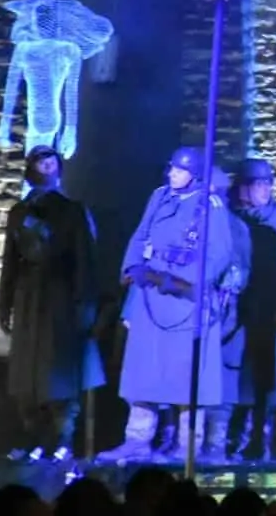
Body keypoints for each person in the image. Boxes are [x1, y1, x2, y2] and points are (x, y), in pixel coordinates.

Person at [98, 147, 233, 464]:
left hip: (184, 301)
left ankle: (188, 444)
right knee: (143, 371)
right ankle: (137, 439)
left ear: (194, 175)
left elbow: (219, 256)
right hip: (151, 298)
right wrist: (132, 267)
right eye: (171, 168)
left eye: (179, 170)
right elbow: (140, 235)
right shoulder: (159, 196)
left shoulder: (209, 206)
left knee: (186, 377)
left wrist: (178, 280)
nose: (172, 174)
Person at [0, 146, 104, 460]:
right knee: (26, 375)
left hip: (59, 297)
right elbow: (10, 261)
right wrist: (4, 304)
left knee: (58, 372)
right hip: (28, 297)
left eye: (51, 161)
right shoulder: (19, 212)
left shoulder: (71, 211)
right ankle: (34, 437)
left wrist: (85, 304)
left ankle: (63, 440)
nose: (46, 166)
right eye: (40, 162)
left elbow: (84, 259)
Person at [228, 158, 276, 461]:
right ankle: (232, 437)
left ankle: (260, 438)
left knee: (264, 377)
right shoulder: (230, 218)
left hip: (267, 310)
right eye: (257, 184)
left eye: (267, 183)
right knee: (236, 374)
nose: (264, 189)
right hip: (237, 308)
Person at [206, 166, 250, 459]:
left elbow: (241, 271)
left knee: (224, 379)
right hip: (196, 315)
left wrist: (227, 305)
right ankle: (188, 440)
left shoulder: (236, 228)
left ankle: (216, 444)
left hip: (226, 313)